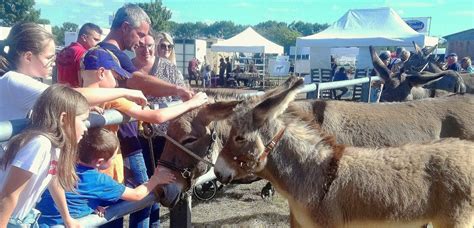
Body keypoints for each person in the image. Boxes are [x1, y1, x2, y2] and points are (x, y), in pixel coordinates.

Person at [80, 47, 207, 227]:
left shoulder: (72, 100)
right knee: (111, 219)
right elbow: (157, 116)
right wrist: (192, 103)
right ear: (102, 73)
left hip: (81, 184)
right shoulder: (113, 99)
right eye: (115, 77)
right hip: (108, 177)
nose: (118, 83)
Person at [0, 22, 147, 123]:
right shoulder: (14, 80)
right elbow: (71, 96)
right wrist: (123, 92)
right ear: (28, 57)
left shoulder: (18, 81)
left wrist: (83, 107)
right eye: (48, 58)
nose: (53, 62)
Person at [36, 128, 175, 226]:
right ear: (100, 162)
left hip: (42, 222)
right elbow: (136, 195)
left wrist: (91, 205)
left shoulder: (65, 166)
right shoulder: (98, 180)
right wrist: (156, 179)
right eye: (114, 157)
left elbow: (75, 196)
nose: (115, 160)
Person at [0, 84, 89, 227]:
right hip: (7, 219)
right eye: (83, 120)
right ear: (64, 118)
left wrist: (67, 217)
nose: (86, 128)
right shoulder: (39, 144)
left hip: (20, 219)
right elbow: (8, 194)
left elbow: (53, 181)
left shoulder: (55, 146)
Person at [56, 23, 102, 88]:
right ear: (84, 37)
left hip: (61, 93)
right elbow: (82, 81)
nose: (98, 44)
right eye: (96, 39)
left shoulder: (63, 51)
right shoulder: (84, 54)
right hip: (75, 95)